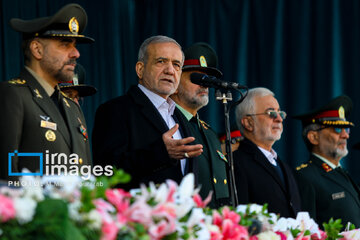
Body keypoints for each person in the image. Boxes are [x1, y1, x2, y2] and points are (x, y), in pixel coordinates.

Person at [92, 35, 203, 190]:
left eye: (176, 64)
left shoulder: (179, 116)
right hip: (136, 211)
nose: (170, 70)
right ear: (140, 69)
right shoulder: (115, 110)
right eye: (161, 61)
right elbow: (105, 170)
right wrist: (160, 153)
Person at [0, 4, 93, 181]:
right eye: (65, 44)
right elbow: (6, 178)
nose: (76, 53)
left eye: (75, 45)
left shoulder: (72, 107)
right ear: (37, 49)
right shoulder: (12, 94)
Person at [170, 42, 230, 207]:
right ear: (175, 86)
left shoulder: (209, 132)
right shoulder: (169, 124)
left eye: (207, 79)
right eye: (196, 78)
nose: (204, 84)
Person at [233, 87, 301, 218]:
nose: (279, 119)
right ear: (248, 122)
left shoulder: (284, 166)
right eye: (271, 113)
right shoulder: (236, 164)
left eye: (280, 113)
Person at [294, 95, 360, 228]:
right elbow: (306, 232)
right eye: (337, 129)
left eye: (346, 129)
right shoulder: (305, 177)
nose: (345, 135)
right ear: (313, 137)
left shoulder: (340, 173)